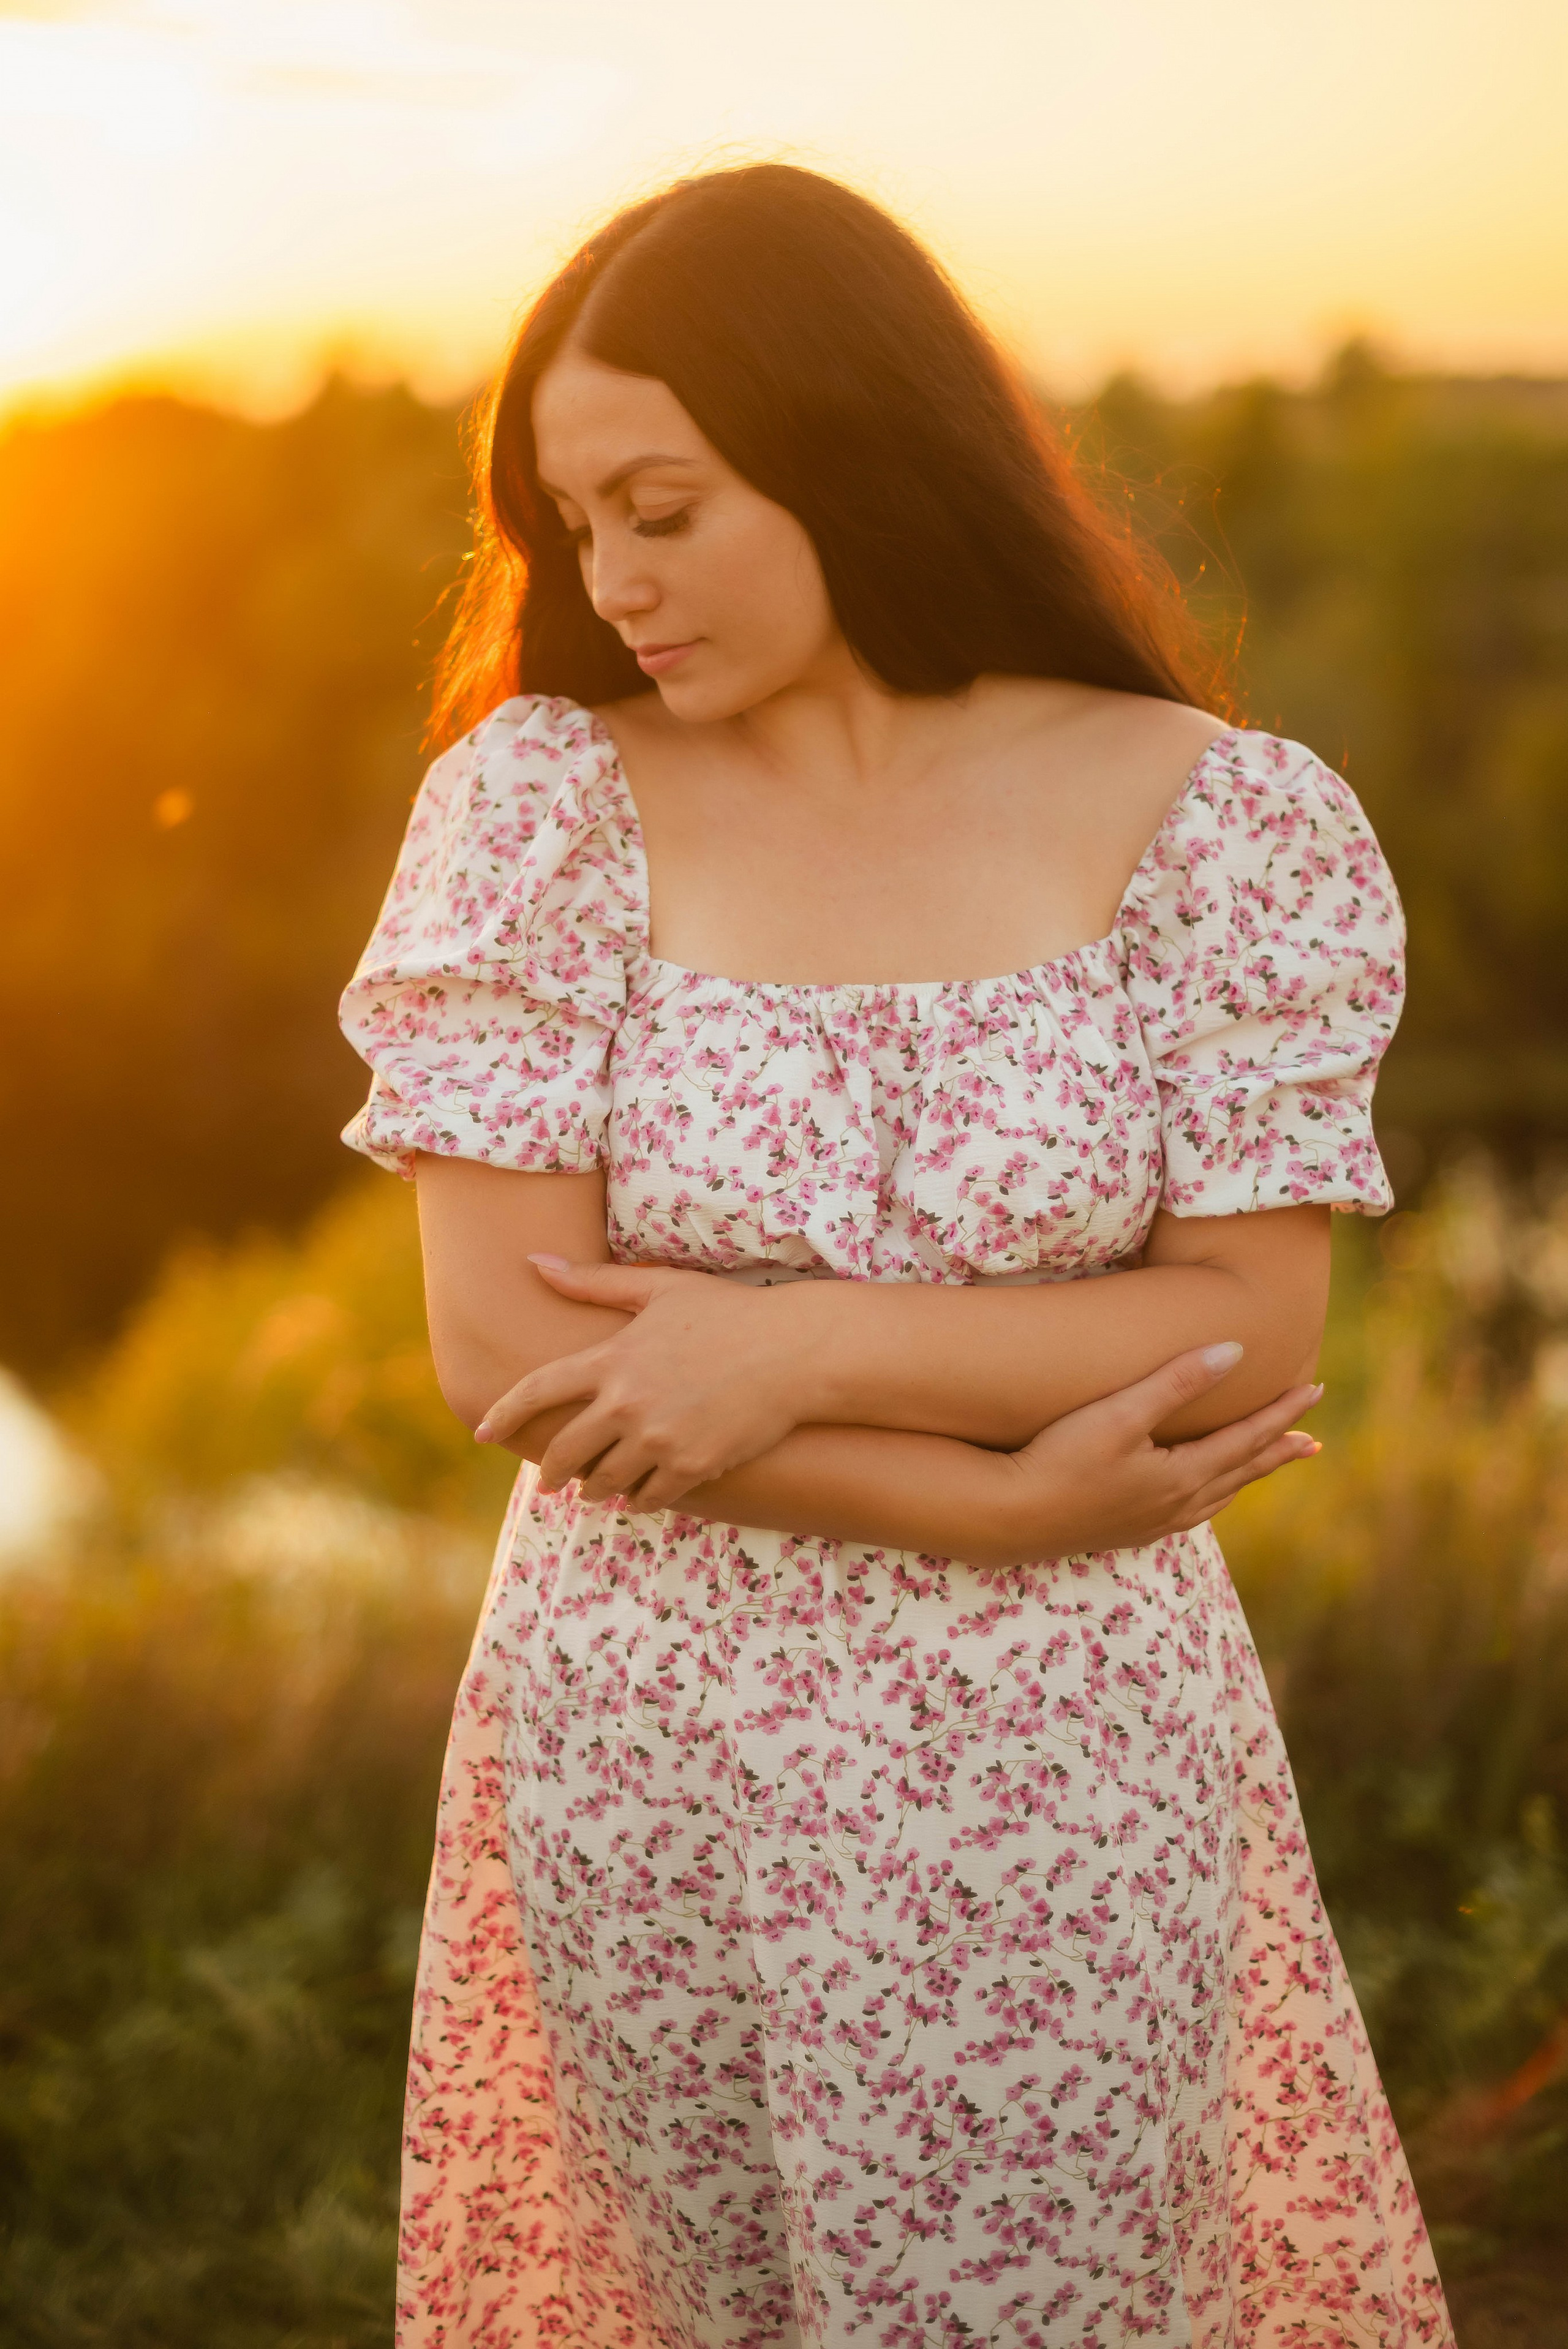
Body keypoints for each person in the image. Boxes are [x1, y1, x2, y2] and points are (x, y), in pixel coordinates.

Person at [341, 165, 1452, 2349]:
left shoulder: (1219, 820)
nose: (611, 576)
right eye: (575, 525)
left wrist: (795, 1346)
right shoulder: (541, 809)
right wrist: (993, 1490)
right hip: (644, 1744)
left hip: (1061, 1749)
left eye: (664, 504)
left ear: (843, 439)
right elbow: (503, 1349)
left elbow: (1241, 1338)